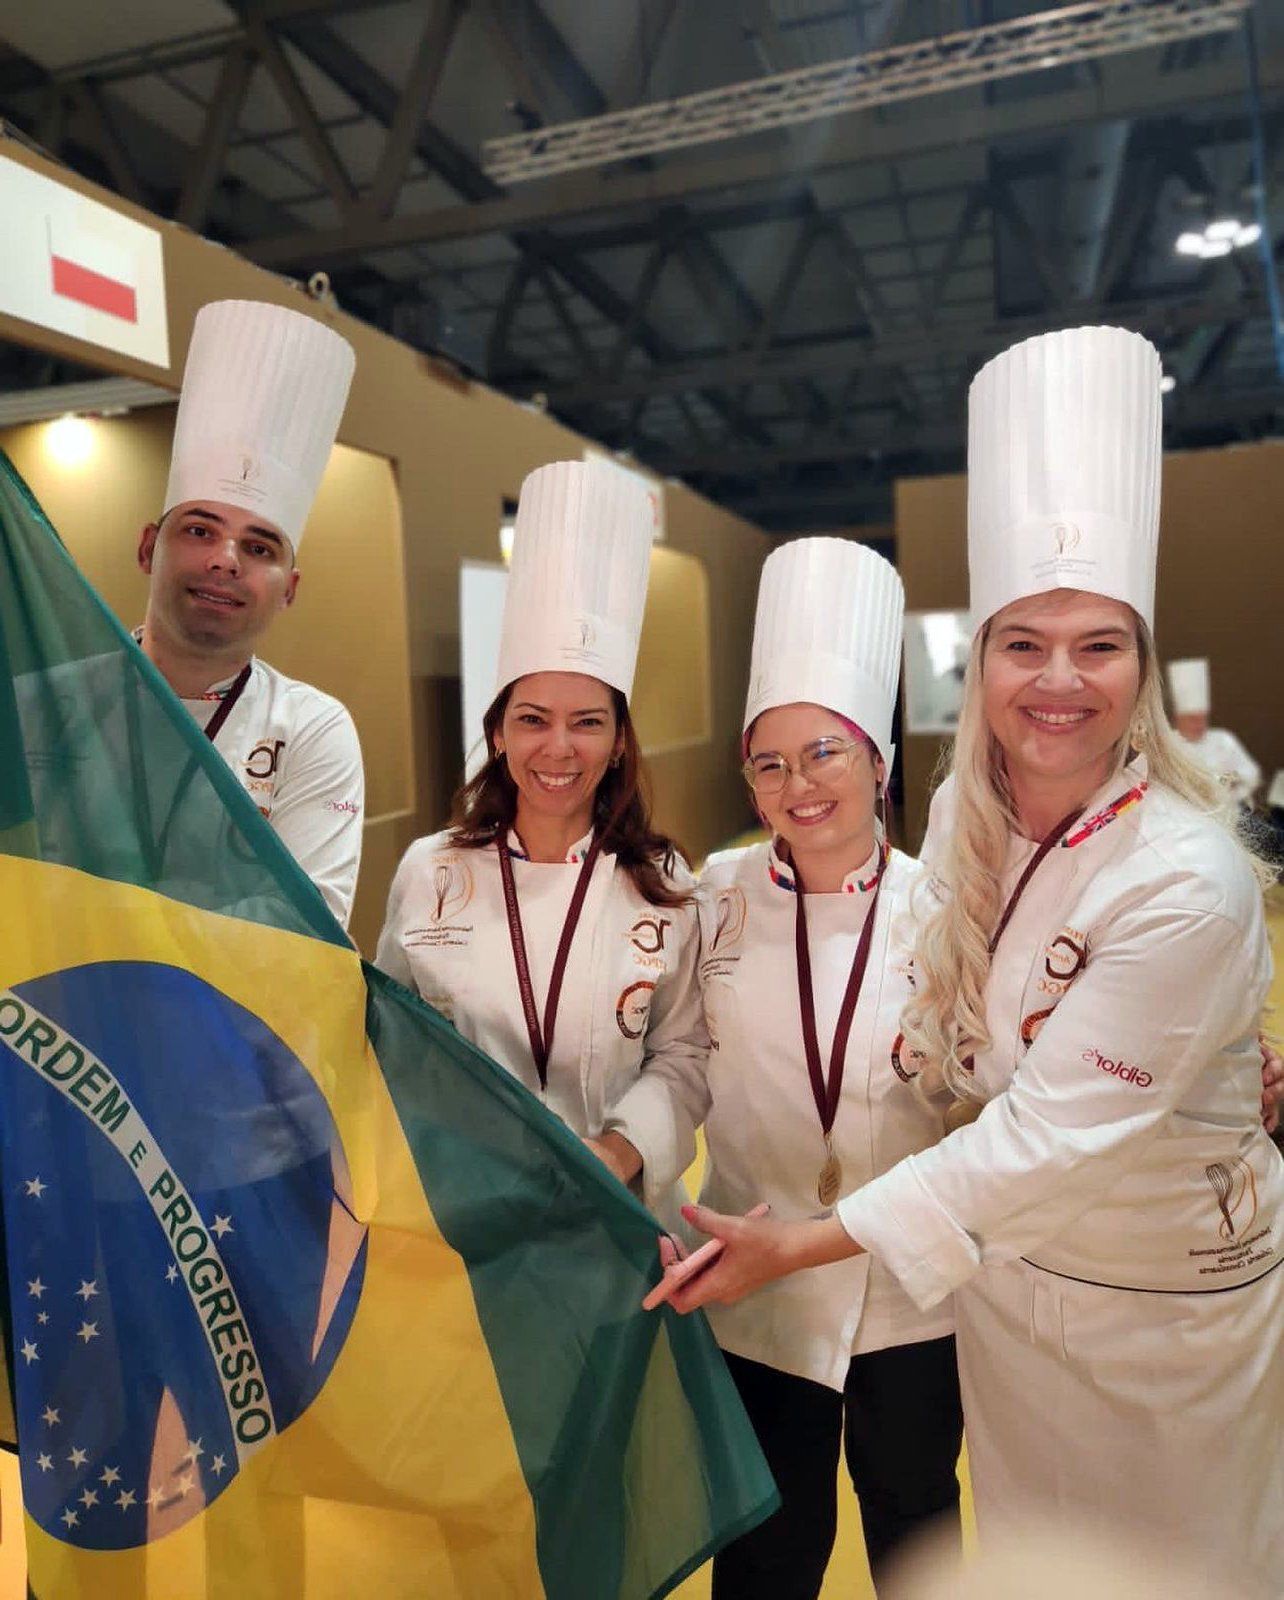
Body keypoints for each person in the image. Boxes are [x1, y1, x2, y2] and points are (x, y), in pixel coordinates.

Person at [652, 327, 1284, 1596]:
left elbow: (1043, 1132)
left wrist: (805, 1238)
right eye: (1022, 644)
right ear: (979, 662)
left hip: (1162, 1307)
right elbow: (961, 1051)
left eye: (1098, 644)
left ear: (1144, 668)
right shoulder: (967, 825)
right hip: (1009, 1300)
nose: (1058, 679)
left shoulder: (1186, 879)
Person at [609, 537, 962, 1597]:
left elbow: (993, 1100)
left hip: (911, 1292)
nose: (798, 784)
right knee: (763, 1556)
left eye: (825, 752)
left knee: (919, 1535)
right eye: (770, 762)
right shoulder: (710, 896)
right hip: (752, 1287)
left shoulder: (949, 907)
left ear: (877, 761)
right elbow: (680, 1068)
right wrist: (622, 1153)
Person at [376, 458, 704, 1222]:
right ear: (496, 731)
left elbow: (684, 1055)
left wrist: (617, 1154)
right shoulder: (431, 870)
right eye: (532, 719)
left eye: (587, 722)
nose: (559, 749)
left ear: (620, 740)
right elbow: (393, 1042)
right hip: (467, 1214)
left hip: (622, 1217)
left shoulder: (663, 881)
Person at [132, 298, 365, 928]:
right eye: (200, 531)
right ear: (149, 548)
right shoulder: (54, 700)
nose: (226, 561)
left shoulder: (312, 730)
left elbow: (303, 935)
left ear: (288, 588)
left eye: (257, 547)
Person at [1166, 657, 1261, 805]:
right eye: (1193, 719)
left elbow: (1251, 775)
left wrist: (1228, 781)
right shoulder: (1166, 743)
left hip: (1225, 812)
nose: (1199, 724)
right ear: (1177, 719)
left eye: (1203, 718)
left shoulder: (1223, 739)